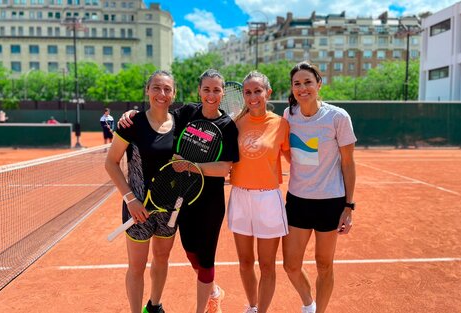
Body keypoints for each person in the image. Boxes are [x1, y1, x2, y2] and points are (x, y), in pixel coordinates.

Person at [118, 69, 240, 313]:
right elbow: (157, 117)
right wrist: (132, 115)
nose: (211, 94)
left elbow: (225, 168)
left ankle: (187, 305)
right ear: (199, 91)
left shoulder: (226, 125)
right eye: (206, 89)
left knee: (197, 258)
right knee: (183, 255)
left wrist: (190, 166)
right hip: (169, 201)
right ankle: (211, 290)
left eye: (216, 89)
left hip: (196, 203)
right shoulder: (186, 114)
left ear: (223, 92)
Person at [281, 61, 357, 313]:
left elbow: (348, 163)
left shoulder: (338, 117)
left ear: (319, 84)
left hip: (330, 202)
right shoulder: (288, 115)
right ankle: (308, 304)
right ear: (292, 89)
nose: (302, 88)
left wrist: (348, 206)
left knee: (324, 265)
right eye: (297, 84)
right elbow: (290, 152)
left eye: (308, 82)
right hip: (298, 201)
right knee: (291, 265)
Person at [105, 70, 179, 313]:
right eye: (156, 88)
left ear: (174, 93)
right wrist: (131, 200)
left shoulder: (181, 122)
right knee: (136, 267)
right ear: (147, 91)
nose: (162, 93)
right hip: (137, 208)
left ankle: (154, 306)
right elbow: (111, 162)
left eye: (167, 89)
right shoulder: (132, 123)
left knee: (162, 258)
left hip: (168, 209)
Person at [228, 71, 290, 313]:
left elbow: (295, 157)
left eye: (258, 91)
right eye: (248, 92)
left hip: (268, 199)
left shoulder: (281, 124)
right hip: (240, 197)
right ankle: (252, 307)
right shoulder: (234, 124)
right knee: (245, 263)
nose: (253, 97)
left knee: (267, 265)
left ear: (268, 93)